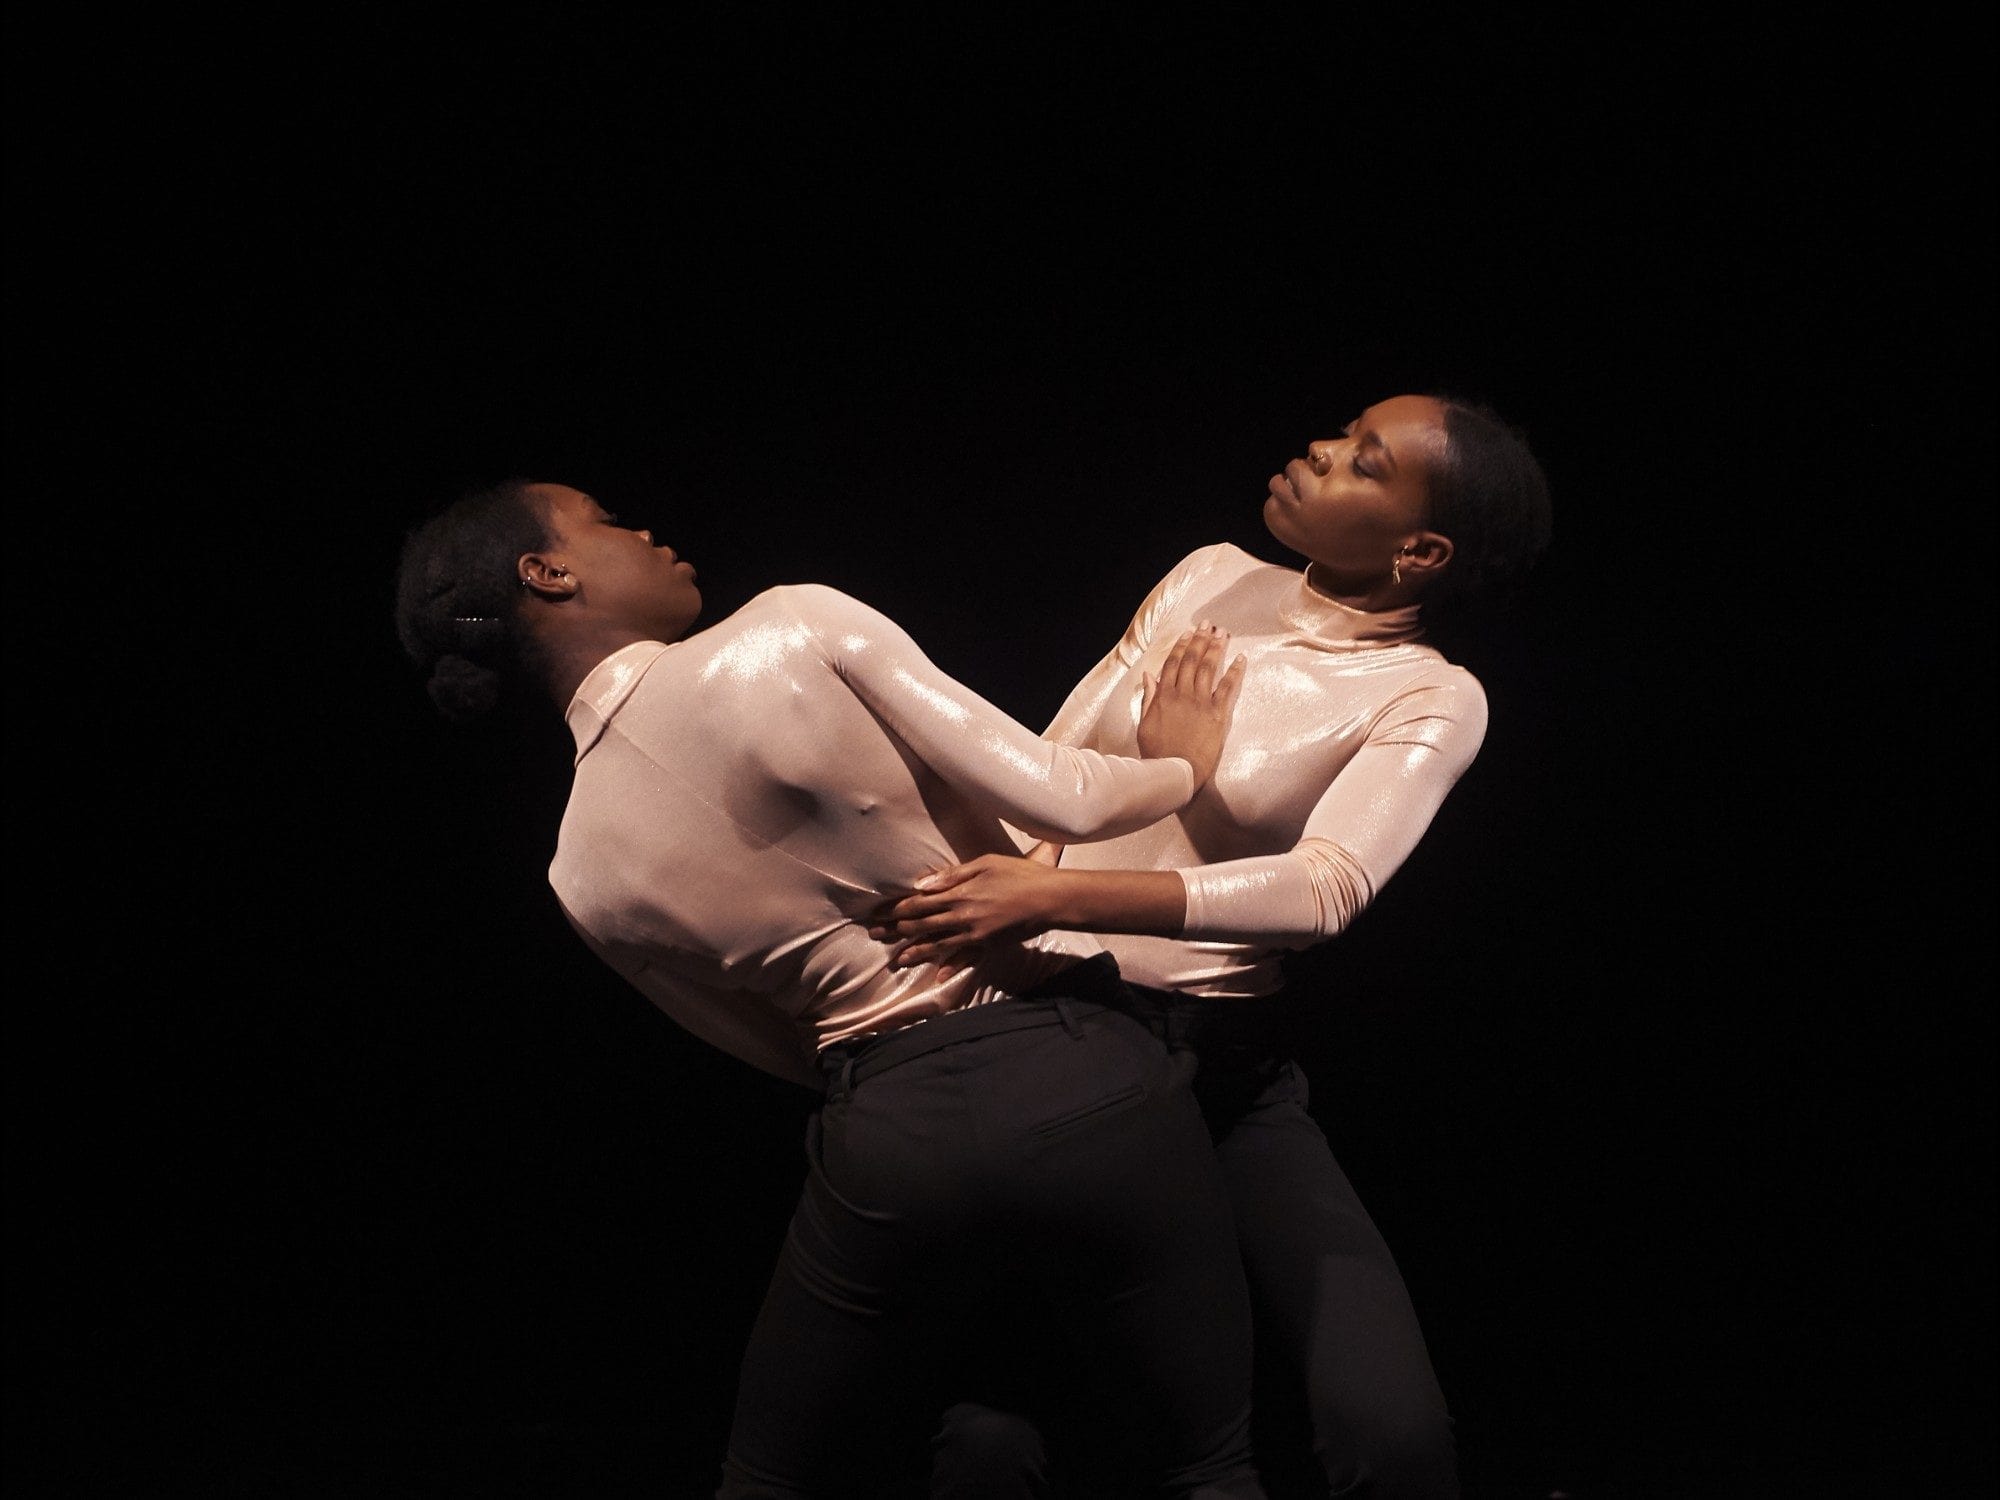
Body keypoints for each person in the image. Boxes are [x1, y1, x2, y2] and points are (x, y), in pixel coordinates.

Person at [391, 478, 1268, 1499]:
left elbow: (775, 1047)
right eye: (603, 520)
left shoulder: (575, 870)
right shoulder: (792, 623)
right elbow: (1059, 798)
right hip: (1082, 1072)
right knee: (1204, 1466)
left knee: (776, 1476)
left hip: (886, 1134)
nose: (642, 529)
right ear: (548, 573)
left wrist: (898, 1085)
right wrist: (1175, 767)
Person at [870, 392, 1553, 1499]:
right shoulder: (1204, 576)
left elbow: (1323, 888)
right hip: (1049, 1036)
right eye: (1343, 433)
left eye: (1363, 463)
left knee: (1391, 1435)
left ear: (1419, 551)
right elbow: (1047, 772)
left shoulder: (1428, 694)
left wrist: (1068, 891)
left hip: (1215, 1062)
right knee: (989, 1435)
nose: (1320, 449)